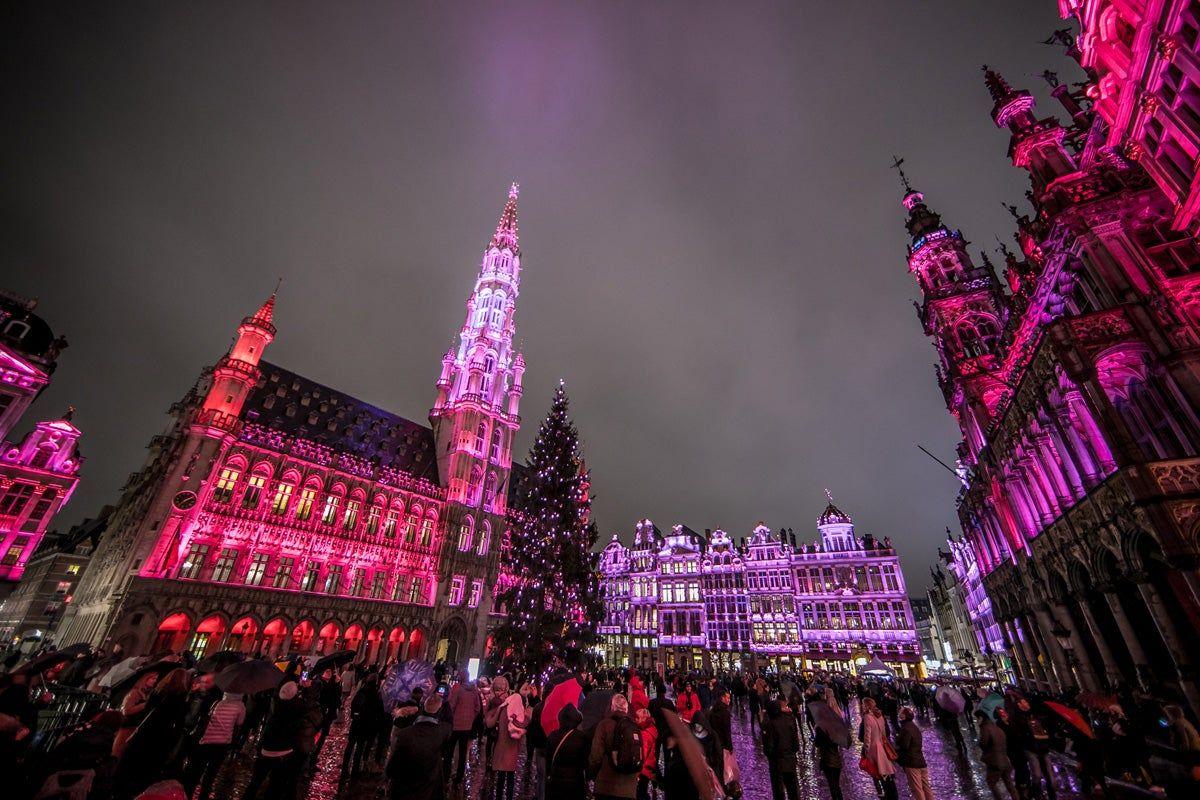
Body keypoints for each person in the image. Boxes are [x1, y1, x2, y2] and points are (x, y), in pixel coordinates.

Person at [387, 694, 452, 800]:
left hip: (403, 791)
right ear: (439, 711)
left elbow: (391, 769)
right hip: (428, 790)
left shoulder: (403, 735)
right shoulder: (443, 732)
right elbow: (449, 722)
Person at [183, 690, 245, 800]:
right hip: (222, 745)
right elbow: (240, 723)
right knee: (211, 774)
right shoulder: (240, 706)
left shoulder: (218, 703)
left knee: (197, 772)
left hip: (207, 740)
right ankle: (203, 796)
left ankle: (188, 794)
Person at [588, 693, 640, 800]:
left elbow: (596, 755)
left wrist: (592, 774)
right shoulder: (635, 727)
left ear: (612, 707)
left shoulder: (604, 725)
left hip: (606, 786)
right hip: (629, 788)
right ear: (626, 709)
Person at [488, 676, 529, 800]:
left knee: (501, 777)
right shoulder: (519, 713)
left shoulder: (501, 709)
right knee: (510, 778)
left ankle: (499, 797)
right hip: (512, 749)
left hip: (501, 748)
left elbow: (489, 723)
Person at [343, 674, 386, 775]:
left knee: (350, 745)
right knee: (360, 747)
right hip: (366, 725)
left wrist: (354, 716)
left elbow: (354, 706)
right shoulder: (376, 695)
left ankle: (345, 766)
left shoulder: (361, 691)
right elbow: (378, 712)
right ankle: (355, 768)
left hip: (357, 723)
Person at [545, 704, 588, 799]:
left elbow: (548, 759)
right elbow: (585, 761)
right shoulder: (581, 737)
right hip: (575, 783)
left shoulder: (552, 735)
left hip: (555, 782)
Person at [447, 669, 482, 784]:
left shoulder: (457, 689)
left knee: (449, 751)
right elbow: (478, 708)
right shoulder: (474, 691)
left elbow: (451, 706)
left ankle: (446, 774)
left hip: (455, 725)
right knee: (463, 753)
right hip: (467, 726)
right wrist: (471, 718)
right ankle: (459, 776)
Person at [860, 697, 898, 800]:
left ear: (866, 705)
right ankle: (892, 795)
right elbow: (885, 733)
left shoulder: (867, 717)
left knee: (878, 773)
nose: (862, 706)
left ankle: (884, 795)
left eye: (863, 704)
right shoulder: (879, 715)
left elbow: (867, 735)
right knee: (886, 773)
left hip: (874, 748)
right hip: (881, 745)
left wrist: (867, 751)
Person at [761, 699, 800, 800]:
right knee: (793, 791)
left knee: (779, 792)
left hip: (777, 764)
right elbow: (796, 744)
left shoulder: (770, 724)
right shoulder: (790, 720)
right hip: (790, 761)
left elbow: (768, 748)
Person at [978, 710, 1019, 800]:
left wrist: (980, 742)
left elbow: (983, 743)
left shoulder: (985, 728)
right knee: (1009, 783)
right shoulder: (996, 727)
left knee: (991, 782)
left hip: (995, 761)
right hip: (1005, 760)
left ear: (981, 718)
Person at [895, 707, 933, 800]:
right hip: (920, 760)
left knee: (917, 789)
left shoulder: (906, 728)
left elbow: (905, 746)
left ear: (904, 716)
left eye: (900, 712)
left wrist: (897, 744)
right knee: (926, 787)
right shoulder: (913, 726)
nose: (898, 713)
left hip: (912, 762)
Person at [814, 722, 844, 800]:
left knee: (832, 785)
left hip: (827, 760)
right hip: (836, 760)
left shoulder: (820, 728)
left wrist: (816, 730)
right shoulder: (835, 727)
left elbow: (817, 743)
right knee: (837, 785)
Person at [633, 705, 658, 800]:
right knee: (643, 791)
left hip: (643, 769)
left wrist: (638, 772)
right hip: (648, 767)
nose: (635, 720)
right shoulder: (651, 729)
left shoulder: (644, 734)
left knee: (641, 793)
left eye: (637, 718)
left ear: (643, 719)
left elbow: (642, 754)